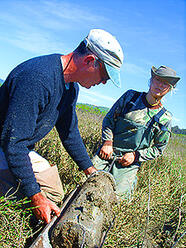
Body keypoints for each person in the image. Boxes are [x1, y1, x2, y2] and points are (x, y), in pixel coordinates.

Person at [0, 29, 124, 223]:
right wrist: (35, 196)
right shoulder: (38, 79)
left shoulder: (71, 87)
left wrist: (90, 170)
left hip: (17, 146)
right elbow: (13, 144)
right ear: (90, 61)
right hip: (6, 145)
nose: (103, 82)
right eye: (104, 76)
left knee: (54, 192)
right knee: (25, 200)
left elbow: (69, 131)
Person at [92, 65, 180, 198]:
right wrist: (107, 142)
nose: (160, 85)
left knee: (117, 198)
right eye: (157, 80)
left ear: (169, 89)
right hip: (107, 151)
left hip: (129, 162)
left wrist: (135, 156)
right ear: (151, 80)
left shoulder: (165, 118)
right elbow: (109, 120)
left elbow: (158, 149)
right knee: (87, 180)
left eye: (165, 84)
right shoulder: (130, 97)